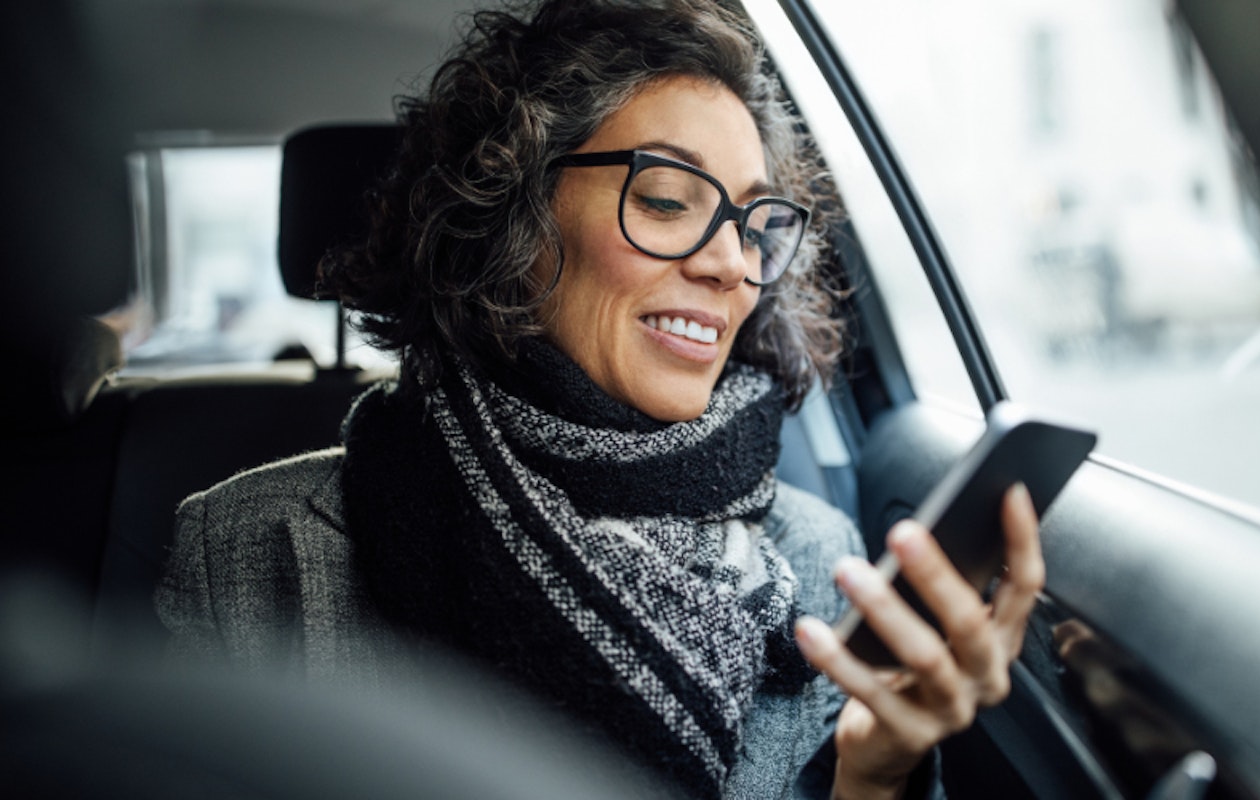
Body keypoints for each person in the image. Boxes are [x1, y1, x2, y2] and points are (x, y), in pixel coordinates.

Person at [155, 1, 1045, 798]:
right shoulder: (253, 549)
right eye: (666, 199)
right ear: (513, 220)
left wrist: (875, 773)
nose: (731, 265)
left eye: (752, 224)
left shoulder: (821, 558)